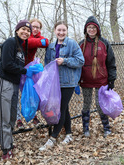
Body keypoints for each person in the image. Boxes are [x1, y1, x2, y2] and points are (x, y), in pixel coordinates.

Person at [0, 20, 38, 160]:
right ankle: (5, 149)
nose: (26, 32)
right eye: (23, 29)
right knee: (3, 117)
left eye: (28, 31)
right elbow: (6, 64)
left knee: (12, 116)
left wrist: (29, 70)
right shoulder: (10, 42)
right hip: (3, 82)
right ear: (17, 30)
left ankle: (9, 142)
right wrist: (25, 71)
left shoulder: (21, 47)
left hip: (14, 85)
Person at [39, 21, 85, 151]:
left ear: (67, 31)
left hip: (68, 82)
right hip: (55, 83)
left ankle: (53, 138)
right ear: (55, 31)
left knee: (60, 108)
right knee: (64, 109)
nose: (61, 32)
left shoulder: (72, 44)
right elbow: (47, 63)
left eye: (64, 30)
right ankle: (68, 134)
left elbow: (81, 61)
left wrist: (65, 61)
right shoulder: (51, 47)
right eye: (59, 30)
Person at [79, 16, 117, 138]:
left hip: (101, 80)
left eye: (94, 27)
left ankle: (106, 127)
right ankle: (85, 128)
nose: (91, 29)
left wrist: (112, 79)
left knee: (100, 105)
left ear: (98, 29)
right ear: (86, 29)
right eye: (89, 27)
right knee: (86, 104)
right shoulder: (81, 44)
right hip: (86, 80)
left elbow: (111, 62)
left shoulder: (104, 43)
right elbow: (77, 63)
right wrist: (76, 80)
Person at [16, 18, 49, 129]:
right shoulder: (23, 37)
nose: (35, 29)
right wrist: (38, 42)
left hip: (29, 70)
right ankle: (18, 120)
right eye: (33, 27)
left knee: (32, 93)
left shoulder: (35, 36)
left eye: (37, 28)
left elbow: (46, 42)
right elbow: (26, 43)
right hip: (17, 68)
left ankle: (34, 117)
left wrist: (39, 41)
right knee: (16, 95)